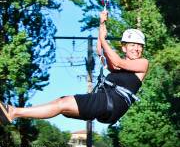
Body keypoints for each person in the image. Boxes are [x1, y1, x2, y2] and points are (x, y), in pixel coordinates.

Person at [0, 11, 149, 125]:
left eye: (139, 46)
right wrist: (102, 24)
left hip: (109, 103)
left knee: (62, 104)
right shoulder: (120, 67)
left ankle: (14, 112)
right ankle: (14, 113)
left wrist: (103, 39)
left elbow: (117, 62)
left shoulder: (142, 63)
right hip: (107, 106)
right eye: (132, 45)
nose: (136, 49)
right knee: (62, 104)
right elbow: (104, 55)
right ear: (124, 48)